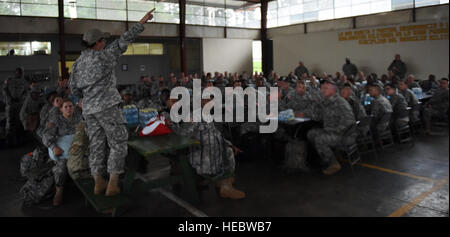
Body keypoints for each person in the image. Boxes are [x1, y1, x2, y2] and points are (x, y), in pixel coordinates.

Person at [69, 9, 156, 196]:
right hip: (107, 108)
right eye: (103, 41)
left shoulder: (77, 64)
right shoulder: (104, 57)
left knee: (97, 145)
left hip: (89, 111)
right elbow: (125, 39)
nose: (105, 43)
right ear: (98, 43)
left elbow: (73, 90)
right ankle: (113, 184)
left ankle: (98, 182)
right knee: (118, 143)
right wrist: (142, 21)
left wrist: (83, 101)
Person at [169, 98, 245, 199]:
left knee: (228, 151)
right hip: (201, 152)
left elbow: (216, 133)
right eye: (206, 100)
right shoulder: (194, 115)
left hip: (214, 150)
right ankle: (225, 186)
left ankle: (223, 183)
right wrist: (172, 124)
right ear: (200, 101)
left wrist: (229, 144)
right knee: (219, 155)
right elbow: (183, 134)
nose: (209, 103)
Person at [306, 80, 357, 175]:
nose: (322, 90)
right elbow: (317, 117)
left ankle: (333, 164)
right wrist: (315, 104)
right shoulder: (326, 102)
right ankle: (326, 155)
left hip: (345, 135)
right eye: (322, 88)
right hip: (332, 131)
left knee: (319, 139)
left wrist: (335, 131)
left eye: (325, 88)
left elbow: (350, 121)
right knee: (311, 134)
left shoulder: (340, 102)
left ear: (333, 91)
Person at [42, 99, 82, 206]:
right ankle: (59, 191)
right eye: (66, 107)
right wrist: (53, 147)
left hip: (78, 151)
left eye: (71, 106)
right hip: (63, 153)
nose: (69, 108)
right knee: (61, 169)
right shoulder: (56, 121)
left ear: (74, 108)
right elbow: (46, 136)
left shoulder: (79, 118)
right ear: (61, 109)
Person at [3, 67, 29, 146]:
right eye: (18, 72)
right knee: (10, 121)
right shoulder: (9, 80)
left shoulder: (24, 82)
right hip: (10, 104)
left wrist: (21, 98)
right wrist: (10, 98)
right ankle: (8, 140)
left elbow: (26, 92)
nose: (19, 74)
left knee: (19, 121)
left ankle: (19, 140)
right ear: (15, 72)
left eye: (21, 72)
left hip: (20, 104)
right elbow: (4, 90)